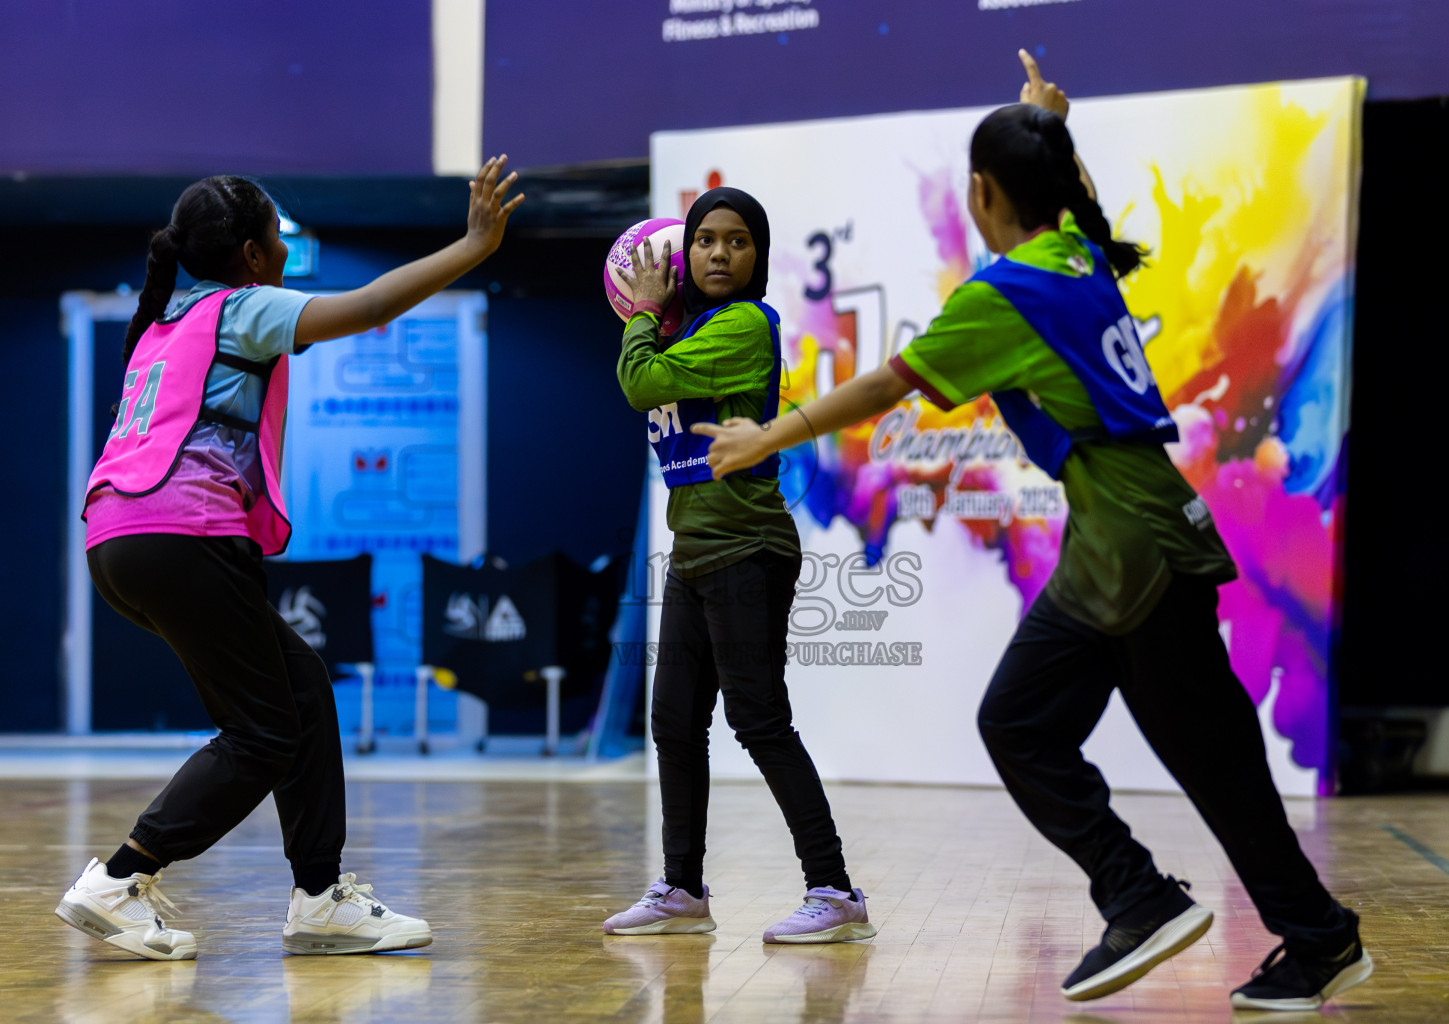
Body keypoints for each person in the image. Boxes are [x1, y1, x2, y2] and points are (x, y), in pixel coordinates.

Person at [692, 54, 1372, 1012]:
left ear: (980, 192)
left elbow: (887, 383)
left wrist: (770, 431)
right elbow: (1070, 199)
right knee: (1211, 758)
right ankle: (1315, 935)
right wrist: (1042, 119)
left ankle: (1140, 896)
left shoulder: (1003, 296)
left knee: (1018, 724)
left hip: (1122, 545)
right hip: (1155, 521)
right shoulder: (1076, 256)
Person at [57, 158, 524, 961]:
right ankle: (121, 878)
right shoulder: (244, 309)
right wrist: (476, 246)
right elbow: (371, 305)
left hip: (118, 542)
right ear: (249, 251)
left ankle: (318, 898)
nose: (284, 248)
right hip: (185, 535)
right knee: (262, 733)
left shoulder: (164, 326)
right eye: (276, 235)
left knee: (301, 685)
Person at [604, 187, 875, 944]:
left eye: (738, 241)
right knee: (673, 724)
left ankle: (835, 890)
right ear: (683, 254)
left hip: (748, 552)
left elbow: (641, 384)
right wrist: (652, 315)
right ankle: (682, 891)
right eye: (705, 241)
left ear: (756, 258)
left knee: (760, 721)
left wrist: (639, 317)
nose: (719, 253)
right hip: (694, 553)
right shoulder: (685, 329)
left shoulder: (746, 326)